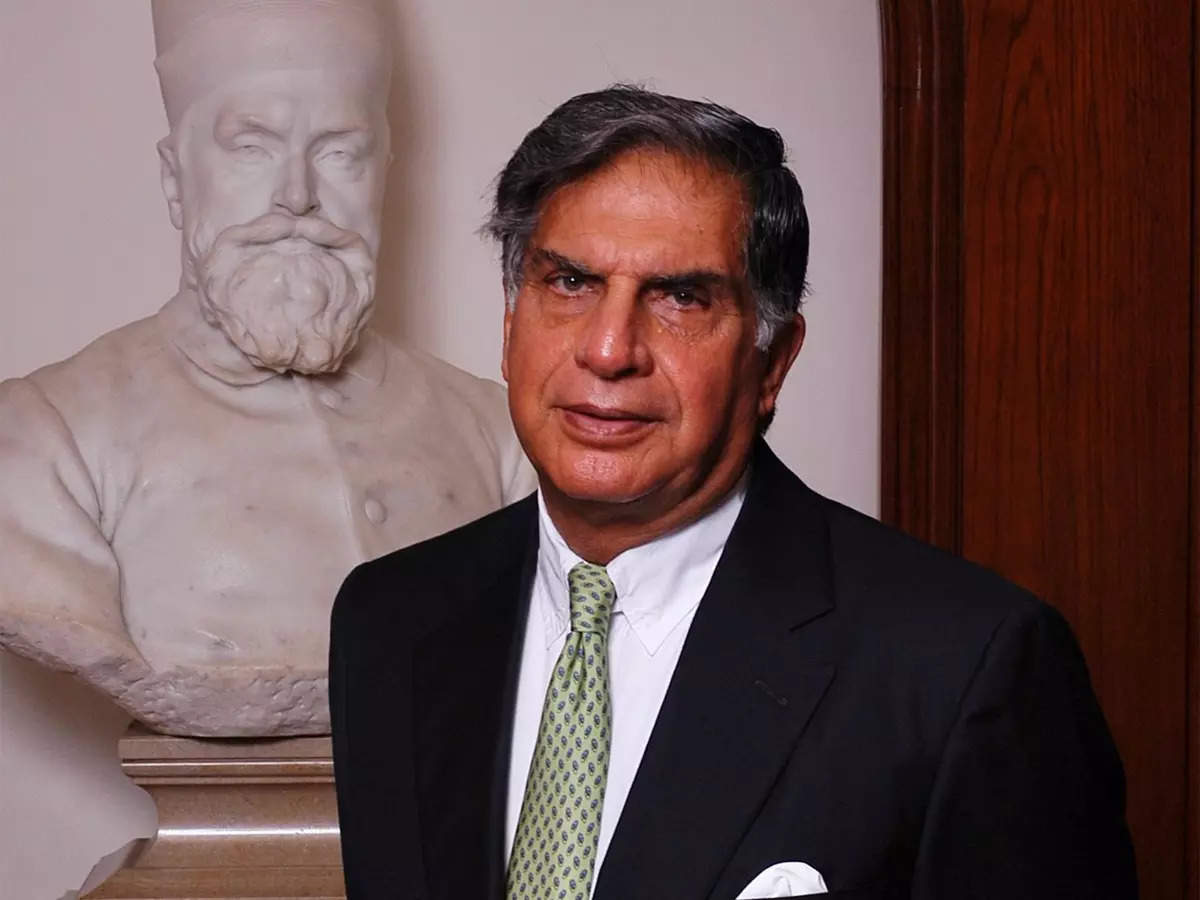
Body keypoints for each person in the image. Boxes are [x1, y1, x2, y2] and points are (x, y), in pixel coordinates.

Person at [329, 86, 1136, 898]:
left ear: (772, 362)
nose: (608, 350)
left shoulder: (963, 667)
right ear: (511, 325)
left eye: (681, 297)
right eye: (570, 282)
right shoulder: (389, 623)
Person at [0, 0, 533, 737]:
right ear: (175, 177)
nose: (297, 196)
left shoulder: (501, 437)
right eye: (251, 146)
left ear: (384, 172)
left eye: (339, 152)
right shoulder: (41, 440)